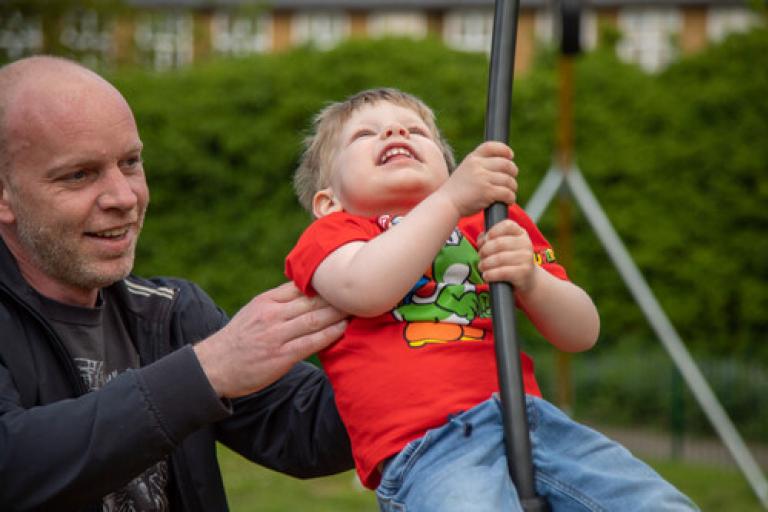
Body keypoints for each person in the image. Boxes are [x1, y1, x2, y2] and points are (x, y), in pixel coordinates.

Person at [285, 88, 699, 511]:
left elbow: (582, 332)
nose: (395, 132)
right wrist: (448, 201)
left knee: (657, 504)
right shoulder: (334, 236)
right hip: (430, 446)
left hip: (533, 422)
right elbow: (366, 289)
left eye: (416, 130)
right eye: (365, 135)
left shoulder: (491, 222)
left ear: (449, 172)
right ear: (328, 201)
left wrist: (532, 281)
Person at [0, 55, 354, 511]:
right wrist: (206, 371)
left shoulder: (169, 314)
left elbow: (307, 432)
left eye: (130, 163)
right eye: (79, 175)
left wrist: (426, 328)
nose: (124, 197)